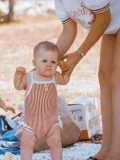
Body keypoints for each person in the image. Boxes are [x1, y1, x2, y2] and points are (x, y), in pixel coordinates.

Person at [53, 0, 120, 159]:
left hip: (110, 19)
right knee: (103, 76)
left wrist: (79, 54)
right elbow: (68, 31)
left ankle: (116, 152)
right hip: (114, 22)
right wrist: (46, 64)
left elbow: (103, 19)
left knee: (116, 78)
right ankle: (106, 149)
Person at [14, 41, 70, 160]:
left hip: (51, 122)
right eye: (44, 61)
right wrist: (18, 75)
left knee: (56, 142)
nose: (49, 65)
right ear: (34, 63)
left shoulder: (55, 76)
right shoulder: (29, 76)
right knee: (26, 144)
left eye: (53, 62)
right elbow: (18, 86)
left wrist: (66, 71)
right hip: (31, 123)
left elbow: (65, 80)